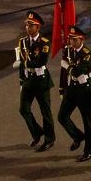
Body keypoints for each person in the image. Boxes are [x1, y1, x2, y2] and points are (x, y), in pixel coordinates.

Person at [15, 11, 56, 150]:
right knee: (23, 109)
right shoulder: (22, 42)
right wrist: (21, 81)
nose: (28, 27)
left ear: (38, 27)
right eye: (27, 24)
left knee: (45, 111)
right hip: (28, 80)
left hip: (41, 80)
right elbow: (21, 64)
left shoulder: (44, 43)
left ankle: (50, 139)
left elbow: (41, 61)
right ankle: (37, 132)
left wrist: (24, 64)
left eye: (31, 25)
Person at [57, 26, 91, 162]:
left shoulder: (87, 54)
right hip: (71, 88)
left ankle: (90, 150)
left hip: (84, 90)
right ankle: (78, 136)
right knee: (62, 116)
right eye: (70, 39)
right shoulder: (68, 50)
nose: (71, 42)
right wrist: (62, 88)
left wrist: (67, 65)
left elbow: (76, 71)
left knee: (87, 121)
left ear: (81, 39)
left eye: (74, 39)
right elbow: (64, 73)